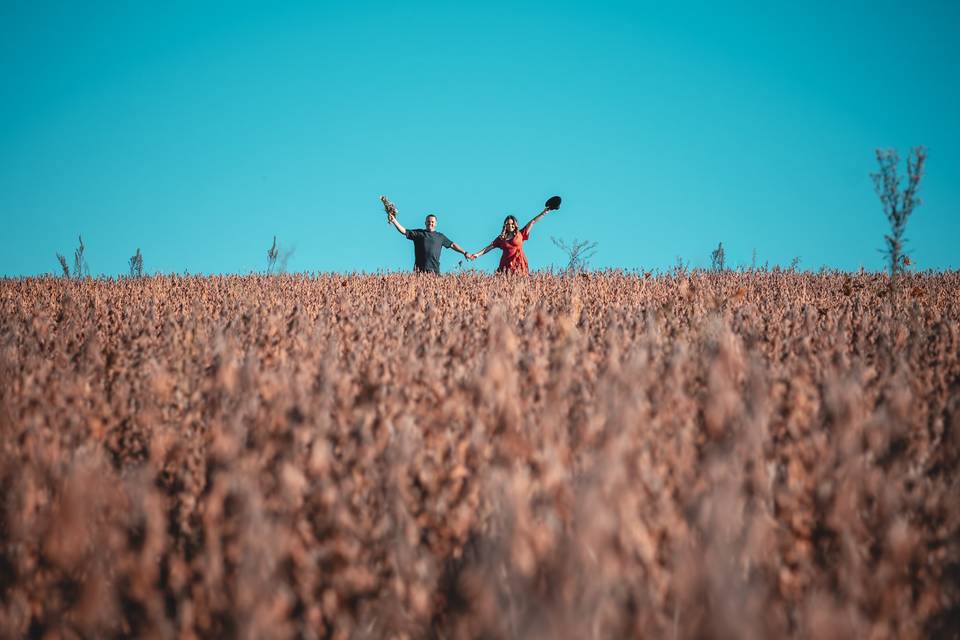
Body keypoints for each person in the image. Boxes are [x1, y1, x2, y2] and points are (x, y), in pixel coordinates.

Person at [466, 206, 553, 274]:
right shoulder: (501, 238)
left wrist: (544, 212)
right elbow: (489, 247)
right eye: (508, 224)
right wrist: (476, 255)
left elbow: (533, 221)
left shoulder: (521, 234)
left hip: (519, 263)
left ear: (515, 225)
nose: (510, 225)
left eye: (512, 224)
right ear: (505, 225)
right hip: (505, 264)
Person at [388, 212, 471, 274]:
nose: (430, 223)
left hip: (435, 271)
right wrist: (394, 221)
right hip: (419, 271)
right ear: (425, 223)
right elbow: (404, 231)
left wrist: (464, 252)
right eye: (428, 221)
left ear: (436, 223)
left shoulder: (440, 236)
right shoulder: (419, 233)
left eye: (432, 222)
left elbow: (452, 245)